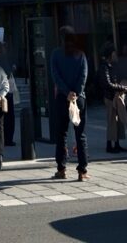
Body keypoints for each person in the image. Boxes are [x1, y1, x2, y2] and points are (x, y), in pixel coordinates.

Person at [50, 26, 89, 181]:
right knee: (81, 134)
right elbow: (83, 76)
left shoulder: (56, 54)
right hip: (79, 98)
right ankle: (82, 170)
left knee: (61, 134)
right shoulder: (81, 55)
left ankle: (61, 169)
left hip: (62, 98)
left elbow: (56, 76)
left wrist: (67, 93)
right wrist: (76, 93)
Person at [98, 46, 127, 154]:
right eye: (114, 53)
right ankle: (109, 145)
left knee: (118, 121)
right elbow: (107, 83)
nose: (115, 55)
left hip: (115, 95)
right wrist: (121, 87)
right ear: (110, 55)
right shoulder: (104, 67)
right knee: (111, 121)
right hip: (110, 97)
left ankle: (117, 144)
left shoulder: (113, 65)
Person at [0, 39, 17, 148]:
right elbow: (8, 72)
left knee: (0, 117)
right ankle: (8, 139)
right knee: (9, 116)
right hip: (6, 91)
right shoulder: (3, 59)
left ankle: (1, 139)